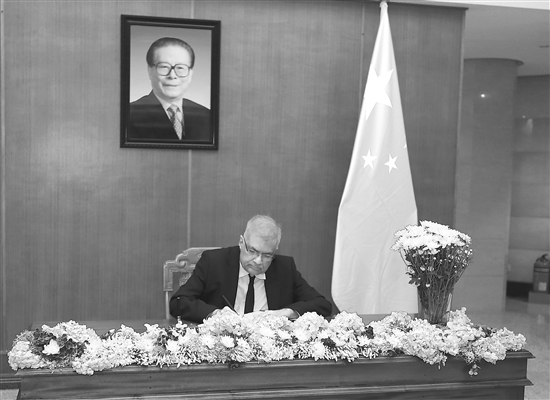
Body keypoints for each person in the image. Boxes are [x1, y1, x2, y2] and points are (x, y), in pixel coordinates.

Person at [169, 215, 332, 322]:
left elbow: (322, 304)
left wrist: (286, 313)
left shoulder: (284, 268)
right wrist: (215, 314)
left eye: (267, 255)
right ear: (241, 242)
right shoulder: (214, 262)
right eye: (252, 251)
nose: (258, 261)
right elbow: (178, 303)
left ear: (275, 250)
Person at [127, 37, 211, 142]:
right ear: (150, 71)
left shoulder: (207, 116)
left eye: (180, 68)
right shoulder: (129, 115)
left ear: (190, 74)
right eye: (164, 67)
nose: (172, 75)